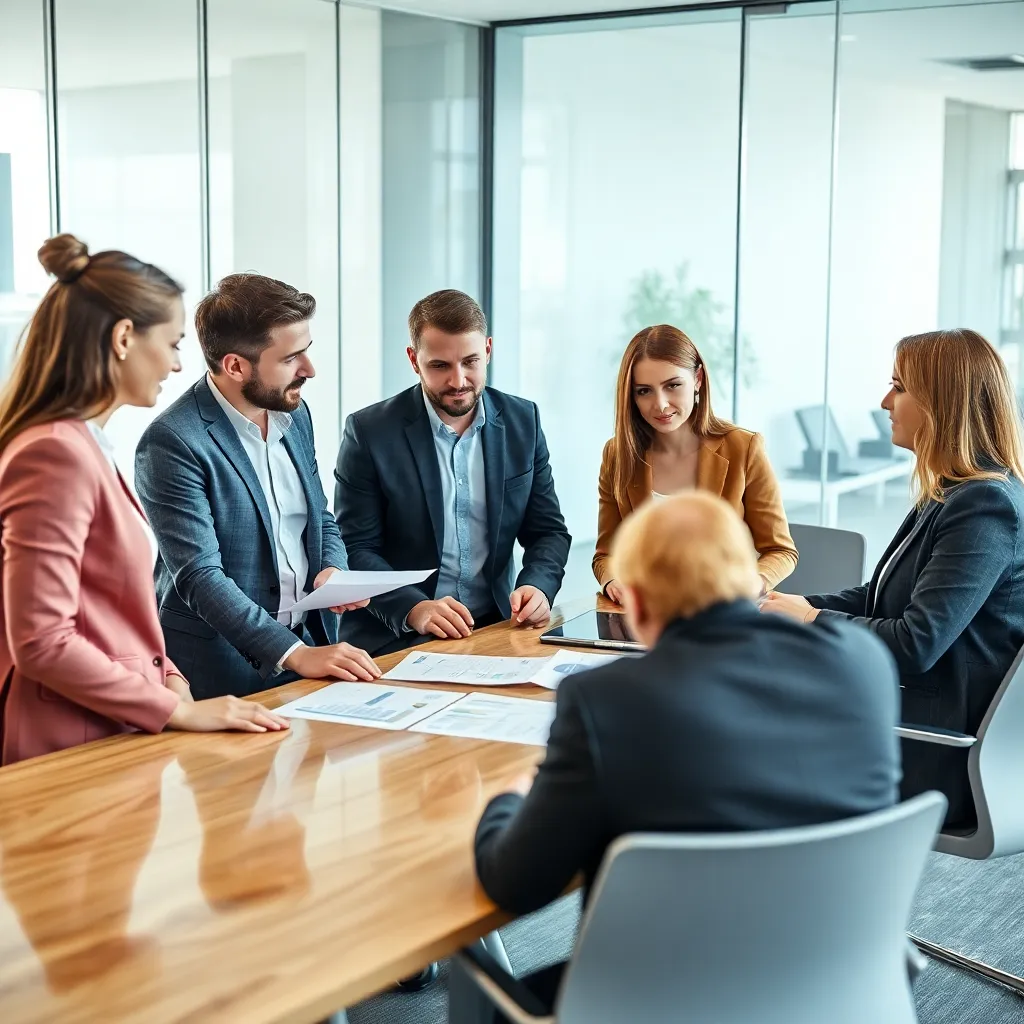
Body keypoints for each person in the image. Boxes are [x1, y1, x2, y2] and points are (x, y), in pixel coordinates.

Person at [474, 491, 900, 1020]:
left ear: (637, 603)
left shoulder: (606, 702)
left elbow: (516, 883)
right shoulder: (862, 660)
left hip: (660, 1000)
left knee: (489, 997)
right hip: (836, 979)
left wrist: (506, 800)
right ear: (749, 578)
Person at [0, 235, 288, 765]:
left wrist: (171, 680)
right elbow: (42, 640)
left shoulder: (82, 444)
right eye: (174, 343)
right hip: (67, 741)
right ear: (125, 337)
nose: (177, 366)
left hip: (111, 728)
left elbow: (115, 613)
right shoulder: (55, 452)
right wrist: (171, 707)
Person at [763, 328, 1024, 827]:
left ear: (940, 402)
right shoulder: (951, 491)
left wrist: (810, 618)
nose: (885, 401)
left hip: (936, 748)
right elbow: (879, 596)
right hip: (907, 721)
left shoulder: (984, 505)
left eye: (898, 386)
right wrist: (781, 604)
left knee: (753, 746)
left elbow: (916, 642)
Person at [135, 272, 379, 699]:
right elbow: (200, 577)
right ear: (235, 365)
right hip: (219, 668)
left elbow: (318, 515)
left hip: (313, 645)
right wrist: (293, 652)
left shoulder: (293, 413)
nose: (310, 370)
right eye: (291, 359)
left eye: (307, 352)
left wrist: (332, 571)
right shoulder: (172, 442)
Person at [334, 288, 571, 656]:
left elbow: (548, 532)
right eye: (440, 366)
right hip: (391, 639)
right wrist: (413, 608)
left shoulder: (524, 422)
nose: (459, 381)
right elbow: (356, 546)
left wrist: (538, 586)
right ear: (414, 360)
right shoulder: (369, 433)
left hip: (492, 630)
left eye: (471, 362)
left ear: (488, 351)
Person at [593, 324, 797, 601]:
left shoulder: (744, 448)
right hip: (646, 614)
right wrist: (613, 581)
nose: (661, 405)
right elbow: (606, 555)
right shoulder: (618, 454)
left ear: (698, 379)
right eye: (644, 391)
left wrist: (750, 584)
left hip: (723, 612)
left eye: (673, 385)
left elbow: (781, 551)